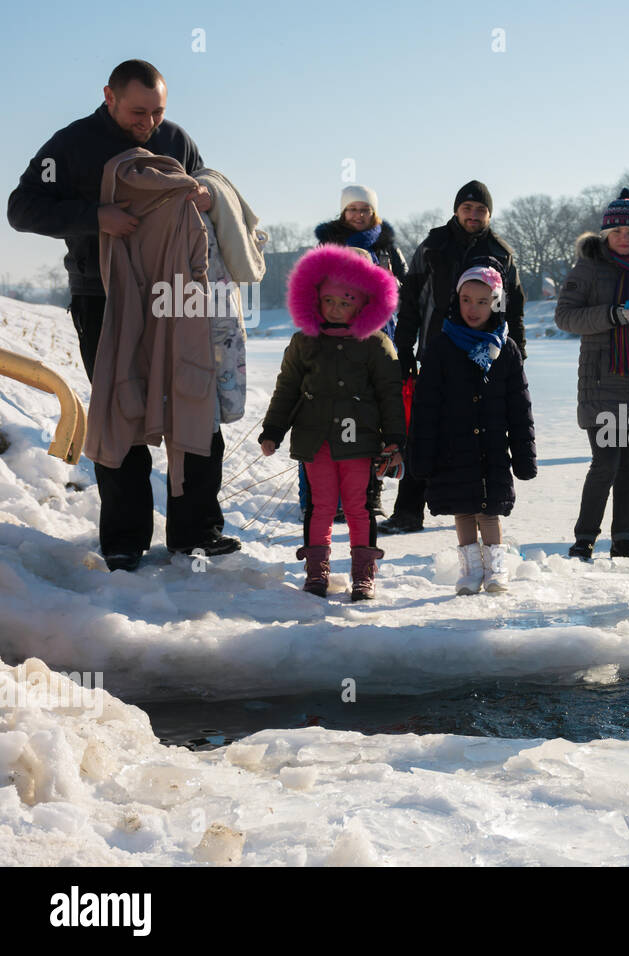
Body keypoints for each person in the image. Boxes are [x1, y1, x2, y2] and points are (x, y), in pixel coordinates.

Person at [7, 59, 236, 571]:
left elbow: (207, 185)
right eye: (138, 111)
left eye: (157, 112)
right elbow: (21, 208)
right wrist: (95, 218)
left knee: (192, 399)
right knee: (121, 406)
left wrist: (205, 194)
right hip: (102, 296)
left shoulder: (175, 138)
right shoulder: (70, 145)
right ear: (108, 95)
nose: (149, 123)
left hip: (176, 294)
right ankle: (124, 541)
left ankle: (196, 534)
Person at [258, 246, 405, 601]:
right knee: (319, 506)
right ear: (315, 299)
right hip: (316, 440)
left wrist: (395, 439)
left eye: (346, 300)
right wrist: (273, 430)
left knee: (359, 506)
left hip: (361, 442)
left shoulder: (376, 345)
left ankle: (363, 573)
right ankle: (316, 572)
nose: (336, 308)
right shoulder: (303, 343)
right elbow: (288, 389)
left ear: (365, 302)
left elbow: (389, 394)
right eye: (329, 300)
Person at [384, 180, 527, 535]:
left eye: (480, 210)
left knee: (479, 430)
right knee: (426, 426)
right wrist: (403, 347)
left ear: (489, 214)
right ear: (456, 210)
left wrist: (517, 353)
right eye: (467, 208)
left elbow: (514, 309)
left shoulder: (502, 253)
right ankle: (408, 511)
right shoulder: (433, 245)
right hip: (438, 349)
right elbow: (412, 299)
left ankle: (481, 508)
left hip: (486, 355)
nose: (473, 215)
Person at [555, 188, 629, 560]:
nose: (625, 238)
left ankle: (624, 539)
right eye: (618, 232)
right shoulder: (588, 268)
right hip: (601, 379)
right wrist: (608, 315)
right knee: (606, 460)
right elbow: (565, 316)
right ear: (606, 235)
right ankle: (585, 539)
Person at [407, 262, 537, 594]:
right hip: (453, 447)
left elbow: (519, 406)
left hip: (491, 447)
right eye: (467, 299)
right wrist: (421, 454)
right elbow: (426, 407)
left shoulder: (505, 348)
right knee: (463, 509)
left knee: (489, 511)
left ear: (495, 303)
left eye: (483, 301)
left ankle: (496, 567)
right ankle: (470, 569)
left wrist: (523, 455)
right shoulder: (441, 347)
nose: (473, 308)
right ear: (456, 300)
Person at [306, 185, 407, 521]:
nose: (359, 215)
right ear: (342, 213)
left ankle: (371, 495)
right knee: (334, 415)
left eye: (365, 209)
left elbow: (405, 290)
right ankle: (327, 498)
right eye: (352, 209)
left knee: (373, 419)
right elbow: (311, 287)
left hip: (379, 336)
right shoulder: (328, 244)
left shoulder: (387, 246)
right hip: (335, 336)